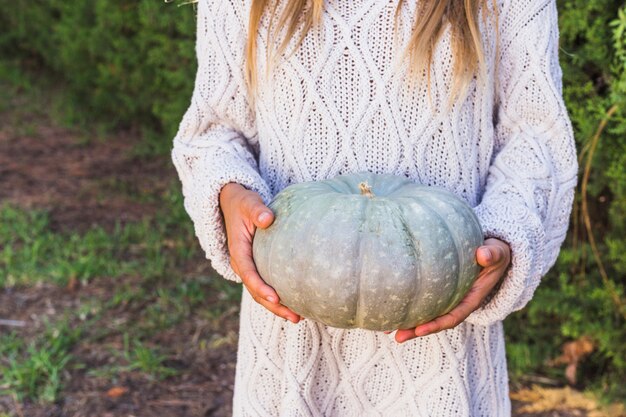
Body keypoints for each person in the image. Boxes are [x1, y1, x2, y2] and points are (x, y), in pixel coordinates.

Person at [171, 0, 577, 414]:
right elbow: (214, 130)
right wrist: (230, 192)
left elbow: (535, 138)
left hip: (440, 357)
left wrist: (505, 234)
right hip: (290, 351)